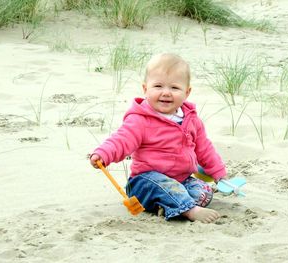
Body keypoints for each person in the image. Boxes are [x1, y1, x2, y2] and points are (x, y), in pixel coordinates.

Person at [90, 53, 227, 223]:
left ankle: (169, 205)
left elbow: (204, 149)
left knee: (204, 192)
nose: (166, 93)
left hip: (181, 179)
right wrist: (104, 153)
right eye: (158, 86)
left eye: (174, 88)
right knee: (164, 185)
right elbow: (122, 139)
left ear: (187, 92)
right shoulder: (141, 119)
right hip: (145, 182)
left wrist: (219, 174)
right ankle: (189, 210)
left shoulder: (191, 119)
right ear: (145, 89)